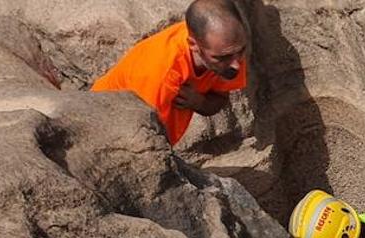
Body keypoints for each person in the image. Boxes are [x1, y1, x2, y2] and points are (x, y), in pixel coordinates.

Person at [91, 0, 248, 146]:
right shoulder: (162, 73)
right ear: (193, 45)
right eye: (222, 57)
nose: (236, 65)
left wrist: (198, 102)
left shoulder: (226, 49)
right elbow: (148, 143)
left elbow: (219, 99)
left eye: (241, 51)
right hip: (101, 129)